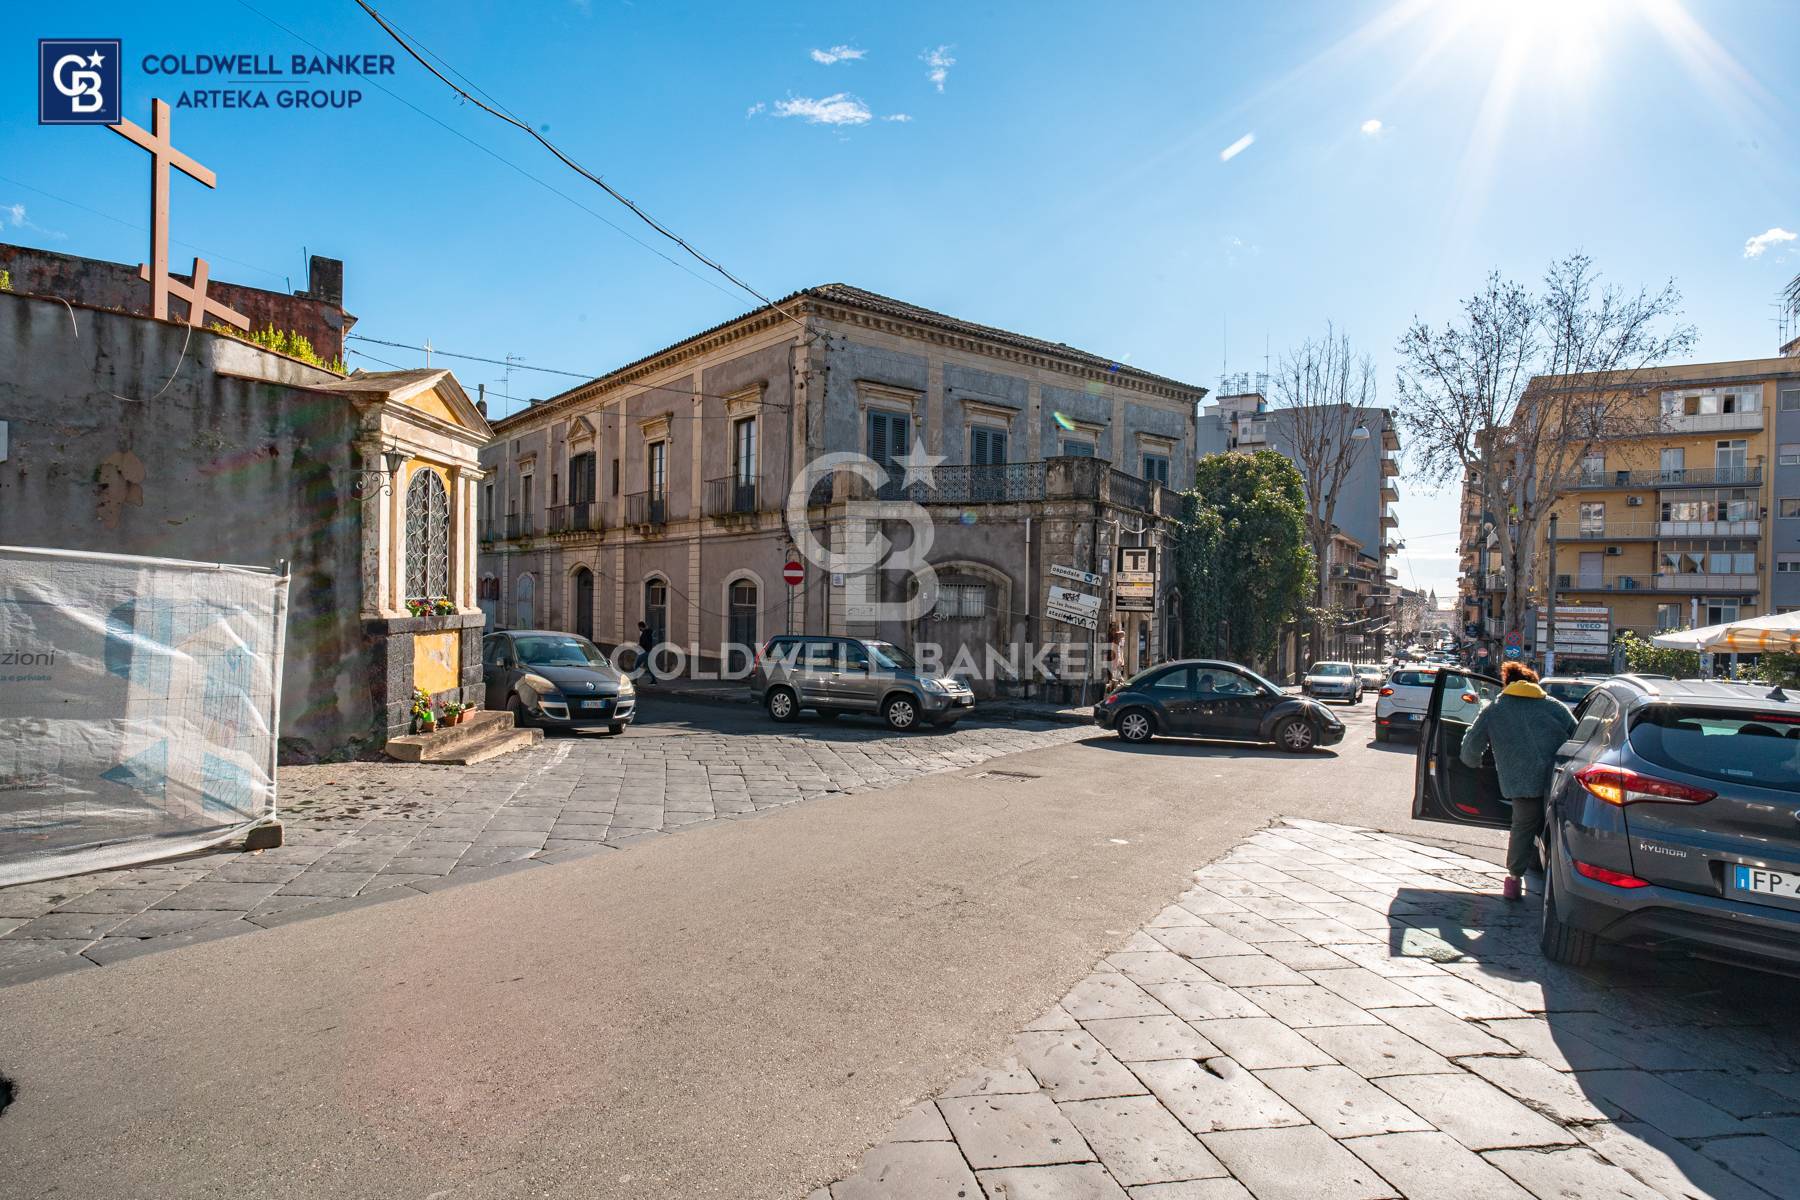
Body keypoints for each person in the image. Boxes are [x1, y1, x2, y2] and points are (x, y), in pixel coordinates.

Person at [1458, 662, 1576, 901]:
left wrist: (1476, 762)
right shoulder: (1554, 706)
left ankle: (1513, 880)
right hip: (1559, 781)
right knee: (1561, 830)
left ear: (1507, 684)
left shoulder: (1495, 709)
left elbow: (1470, 749)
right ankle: (1563, 885)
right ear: (1534, 683)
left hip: (1522, 785)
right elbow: (1578, 736)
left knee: (1522, 829)